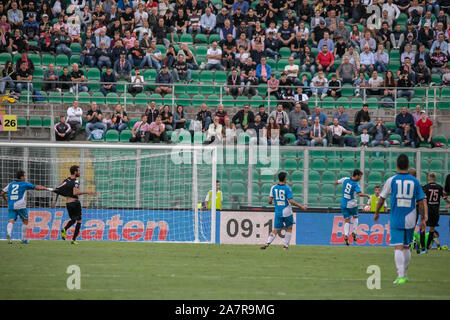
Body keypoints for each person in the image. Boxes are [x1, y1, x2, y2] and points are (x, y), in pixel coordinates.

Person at [375, 154, 427, 285]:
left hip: (397, 217)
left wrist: (376, 213)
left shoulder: (391, 180)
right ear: (408, 166)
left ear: (397, 165)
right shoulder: (415, 181)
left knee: (398, 247)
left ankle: (400, 275)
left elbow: (381, 199)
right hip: (411, 216)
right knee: (406, 246)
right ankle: (405, 274)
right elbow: (421, 201)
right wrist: (422, 219)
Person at [1, 170, 51, 244]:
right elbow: (36, 187)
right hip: (20, 205)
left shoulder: (11, 184)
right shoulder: (24, 184)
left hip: (11, 205)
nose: (25, 177)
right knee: (25, 221)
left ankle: (9, 234)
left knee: (11, 221)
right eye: (24, 176)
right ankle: (23, 239)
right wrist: (47, 188)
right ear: (21, 177)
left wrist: (5, 200)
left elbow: (2, 192)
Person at [261, 172, 307, 250]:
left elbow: (269, 201)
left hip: (278, 212)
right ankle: (285, 246)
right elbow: (291, 201)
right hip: (286, 211)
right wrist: (301, 207)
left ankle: (267, 242)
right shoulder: (287, 188)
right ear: (285, 178)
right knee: (289, 228)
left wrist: (275, 202)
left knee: (275, 229)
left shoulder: (273, 187)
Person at [52, 165, 95, 245]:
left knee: (74, 219)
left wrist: (55, 201)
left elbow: (58, 190)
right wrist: (87, 192)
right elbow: (75, 193)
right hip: (75, 202)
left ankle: (65, 229)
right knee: (79, 220)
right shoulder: (76, 181)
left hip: (68, 203)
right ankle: (73, 239)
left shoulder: (66, 180)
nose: (79, 172)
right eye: (78, 171)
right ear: (75, 172)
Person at [335, 169, 370, 246]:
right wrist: (367, 195)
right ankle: (354, 232)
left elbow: (336, 182)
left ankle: (346, 235)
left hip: (343, 204)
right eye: (360, 176)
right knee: (356, 216)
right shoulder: (355, 184)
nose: (360, 178)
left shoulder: (345, 179)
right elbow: (359, 194)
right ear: (356, 175)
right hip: (351, 204)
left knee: (347, 220)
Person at [419, 172, 450, 253]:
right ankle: (427, 247)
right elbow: (445, 199)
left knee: (423, 227)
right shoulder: (440, 187)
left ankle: (423, 247)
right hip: (435, 211)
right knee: (432, 229)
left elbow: (422, 199)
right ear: (435, 178)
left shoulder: (425, 187)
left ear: (429, 178)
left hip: (427, 210)